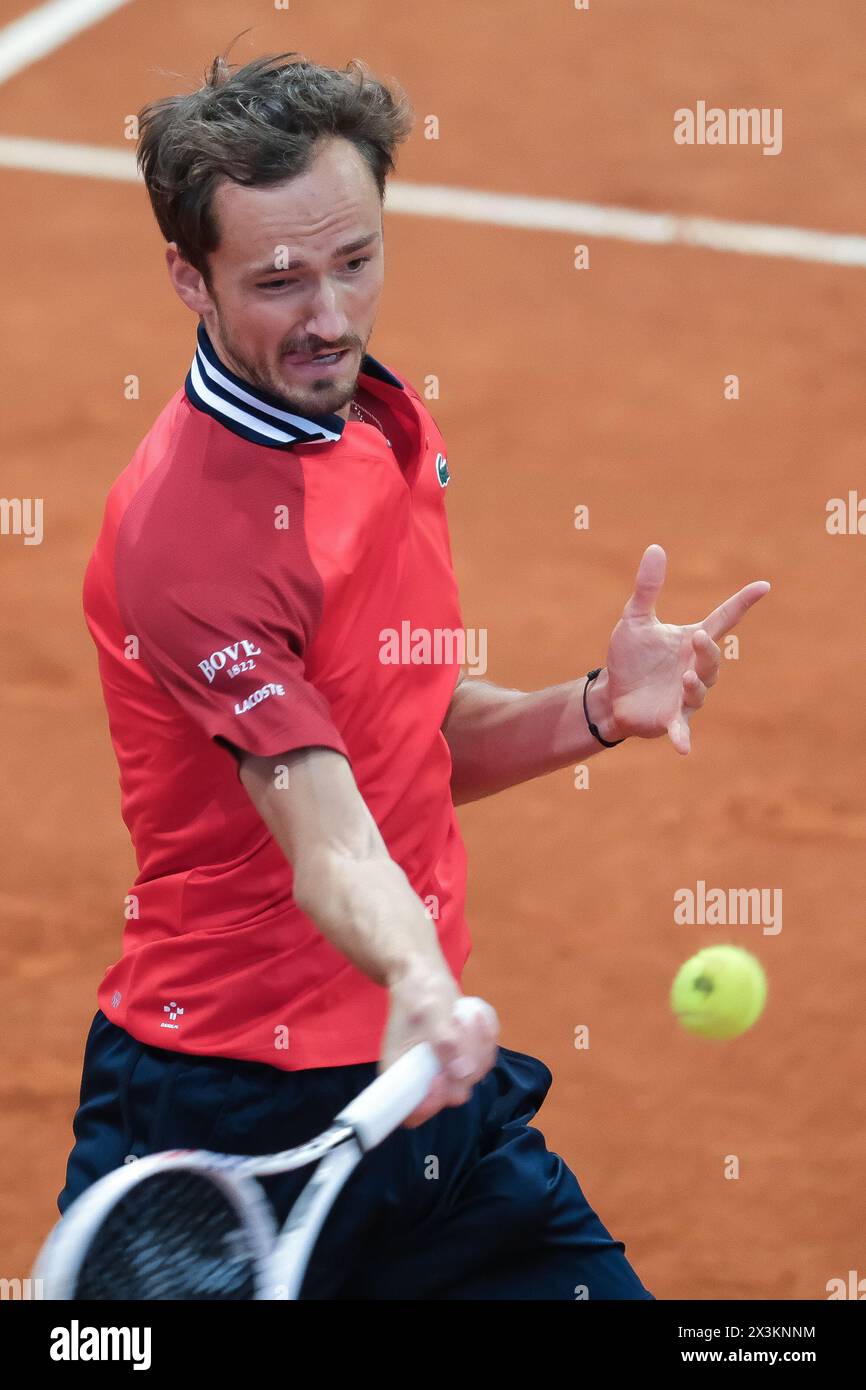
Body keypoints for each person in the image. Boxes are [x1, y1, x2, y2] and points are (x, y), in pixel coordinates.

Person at [59, 52, 769, 1299]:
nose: (328, 315)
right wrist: (418, 975)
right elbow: (329, 835)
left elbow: (408, 739)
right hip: (226, 1109)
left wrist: (592, 712)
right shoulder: (189, 542)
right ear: (189, 275)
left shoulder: (376, 425)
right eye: (276, 280)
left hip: (423, 1082)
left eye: (355, 261)